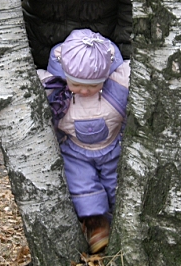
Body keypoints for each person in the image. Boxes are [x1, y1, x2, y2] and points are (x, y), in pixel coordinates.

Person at [38, 28, 130, 254]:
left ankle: (121, 225)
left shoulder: (117, 86)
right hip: (76, 151)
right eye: (77, 85)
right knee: (81, 184)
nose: (85, 91)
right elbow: (30, 86)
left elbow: (137, 75)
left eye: (93, 86)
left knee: (117, 186)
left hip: (112, 148)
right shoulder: (56, 90)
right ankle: (96, 224)